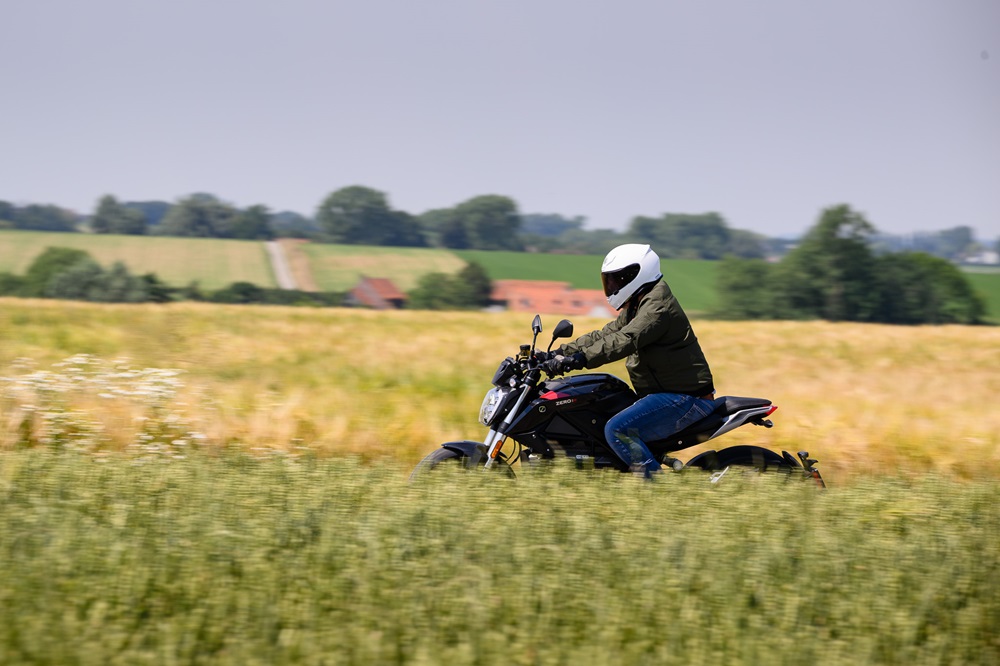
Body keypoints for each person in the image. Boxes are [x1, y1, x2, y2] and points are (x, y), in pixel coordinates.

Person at [542, 244, 716, 477]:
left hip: (686, 398)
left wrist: (578, 359)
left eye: (618, 279)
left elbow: (625, 340)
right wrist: (556, 353)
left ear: (639, 273)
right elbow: (606, 334)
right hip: (662, 395)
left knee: (617, 429)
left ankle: (658, 491)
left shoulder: (657, 307)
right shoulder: (638, 303)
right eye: (610, 280)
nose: (612, 286)